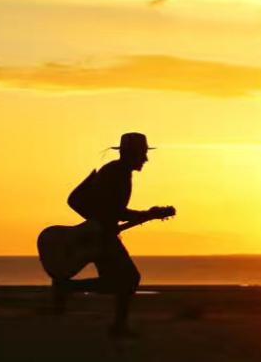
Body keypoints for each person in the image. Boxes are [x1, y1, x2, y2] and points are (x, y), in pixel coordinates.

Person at [52, 132, 173, 337]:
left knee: (120, 280)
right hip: (102, 235)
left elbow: (113, 211)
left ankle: (113, 322)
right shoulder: (117, 174)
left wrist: (148, 214)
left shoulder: (117, 172)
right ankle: (69, 288)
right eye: (142, 153)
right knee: (128, 279)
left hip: (102, 232)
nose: (145, 158)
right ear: (131, 154)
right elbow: (114, 211)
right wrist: (148, 214)